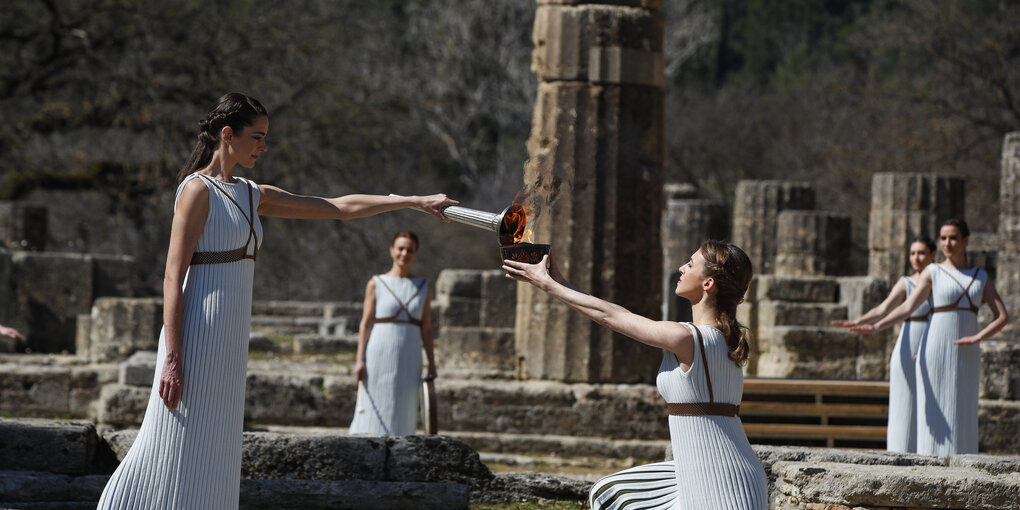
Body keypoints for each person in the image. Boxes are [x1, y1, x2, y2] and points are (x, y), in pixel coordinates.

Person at [97, 92, 458, 510]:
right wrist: (174, 356)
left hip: (229, 338)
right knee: (174, 436)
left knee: (217, 443)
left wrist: (413, 202)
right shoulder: (196, 191)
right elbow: (172, 276)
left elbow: (339, 207)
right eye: (258, 136)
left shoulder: (255, 194)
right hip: (196, 334)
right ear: (227, 135)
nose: (264, 146)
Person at [504, 240, 767, 510]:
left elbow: (610, 318)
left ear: (708, 283)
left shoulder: (688, 338)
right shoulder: (722, 339)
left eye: (689, 264)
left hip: (720, 483)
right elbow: (617, 313)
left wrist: (547, 285)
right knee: (610, 493)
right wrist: (558, 282)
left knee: (609, 497)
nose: (681, 268)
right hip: (712, 472)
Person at [852, 219, 1008, 457]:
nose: (948, 243)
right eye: (943, 238)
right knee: (934, 418)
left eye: (953, 237)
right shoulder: (932, 272)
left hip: (966, 351)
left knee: (962, 409)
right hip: (934, 347)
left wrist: (977, 337)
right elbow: (907, 308)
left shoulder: (980, 276)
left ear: (966, 240)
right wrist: (877, 327)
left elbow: (1002, 316)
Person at [832, 236, 936, 453]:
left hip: (931, 340)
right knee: (904, 400)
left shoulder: (938, 280)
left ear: (933, 255)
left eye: (921, 253)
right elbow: (884, 308)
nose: (916, 258)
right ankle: (900, 450)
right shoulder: (906, 282)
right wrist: (859, 321)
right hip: (908, 340)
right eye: (913, 253)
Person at [349, 230, 436, 435]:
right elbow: (365, 323)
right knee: (372, 406)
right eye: (400, 248)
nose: (404, 253)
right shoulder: (376, 283)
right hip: (379, 351)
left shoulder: (423, 287)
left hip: (410, 353)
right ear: (392, 250)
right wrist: (359, 360)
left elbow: (427, 328)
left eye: (410, 250)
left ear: (416, 253)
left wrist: (432, 363)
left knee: (404, 406)